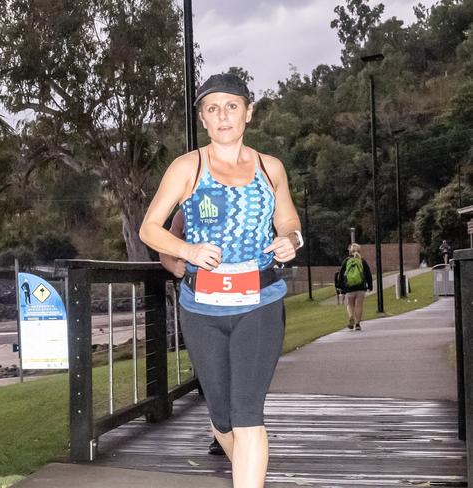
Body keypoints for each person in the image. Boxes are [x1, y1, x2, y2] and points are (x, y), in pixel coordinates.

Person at [140, 73, 302, 488]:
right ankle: (249, 470)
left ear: (248, 112)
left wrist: (290, 239)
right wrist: (188, 251)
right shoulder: (187, 167)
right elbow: (150, 229)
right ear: (203, 119)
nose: (223, 115)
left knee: (248, 412)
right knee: (223, 418)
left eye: (232, 106)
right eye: (213, 108)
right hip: (202, 309)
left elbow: (287, 219)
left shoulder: (271, 167)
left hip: (259, 303)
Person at [159, 209, 226, 457]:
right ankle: (222, 432)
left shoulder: (246, 198)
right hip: (202, 304)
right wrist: (173, 264)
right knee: (214, 374)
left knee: (239, 374)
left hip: (245, 304)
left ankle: (237, 432)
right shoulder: (185, 212)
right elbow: (164, 245)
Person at [337, 243, 373, 331]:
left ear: (350, 252)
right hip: (361, 287)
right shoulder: (362, 261)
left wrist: (340, 286)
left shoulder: (346, 261)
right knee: (359, 305)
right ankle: (357, 324)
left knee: (350, 304)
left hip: (349, 288)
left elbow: (341, 274)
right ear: (359, 251)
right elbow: (368, 274)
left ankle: (351, 317)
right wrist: (370, 285)